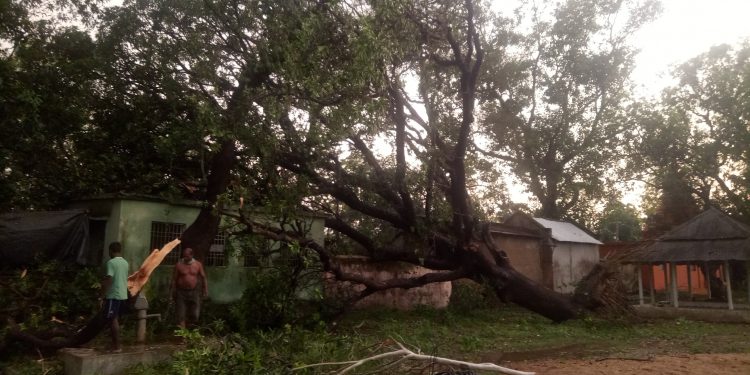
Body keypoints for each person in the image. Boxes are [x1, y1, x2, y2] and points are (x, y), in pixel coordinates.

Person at [99, 242, 129, 352]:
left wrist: (101, 296)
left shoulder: (111, 263)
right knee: (114, 319)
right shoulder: (125, 262)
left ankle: (117, 346)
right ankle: (113, 344)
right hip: (123, 295)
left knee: (112, 320)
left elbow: (109, 279)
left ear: (111, 250)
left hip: (113, 295)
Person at [170, 247, 208, 328]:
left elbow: (203, 277)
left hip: (194, 292)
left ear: (192, 255)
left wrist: (205, 290)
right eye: (184, 256)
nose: (185, 258)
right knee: (181, 314)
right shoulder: (179, 265)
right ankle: (182, 336)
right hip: (181, 292)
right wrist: (173, 291)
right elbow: (174, 279)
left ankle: (189, 330)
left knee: (195, 314)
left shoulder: (198, 264)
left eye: (187, 256)